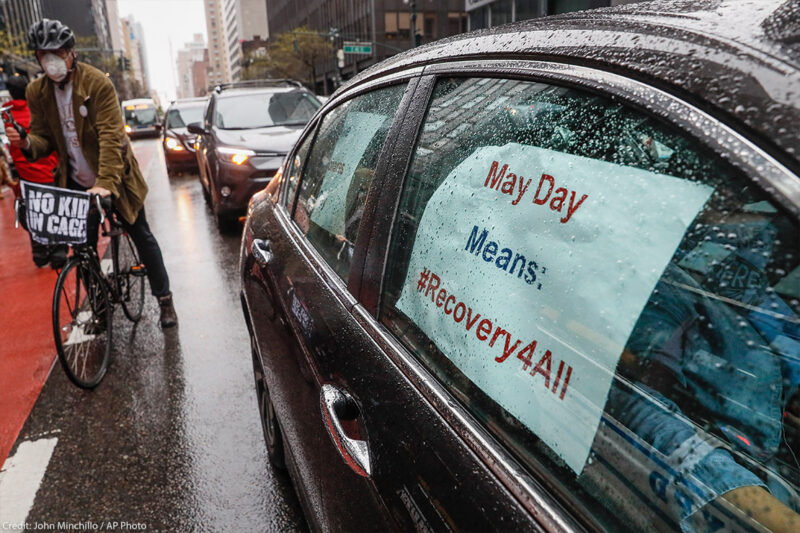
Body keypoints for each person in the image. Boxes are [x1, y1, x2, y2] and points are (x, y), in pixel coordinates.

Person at [4, 19, 177, 328]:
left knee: (141, 233)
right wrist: (27, 141)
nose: (51, 60)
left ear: (71, 53)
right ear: (38, 59)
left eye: (57, 52)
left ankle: (164, 299)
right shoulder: (37, 91)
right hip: (73, 182)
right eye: (44, 55)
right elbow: (44, 140)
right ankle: (99, 307)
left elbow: (112, 138)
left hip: (115, 179)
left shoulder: (97, 83)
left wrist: (105, 185)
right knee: (82, 248)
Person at [3, 74, 67, 268]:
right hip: (49, 171)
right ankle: (59, 252)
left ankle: (39, 252)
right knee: (57, 213)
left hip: (27, 176)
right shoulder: (38, 111)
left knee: (34, 214)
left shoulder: (8, 117)